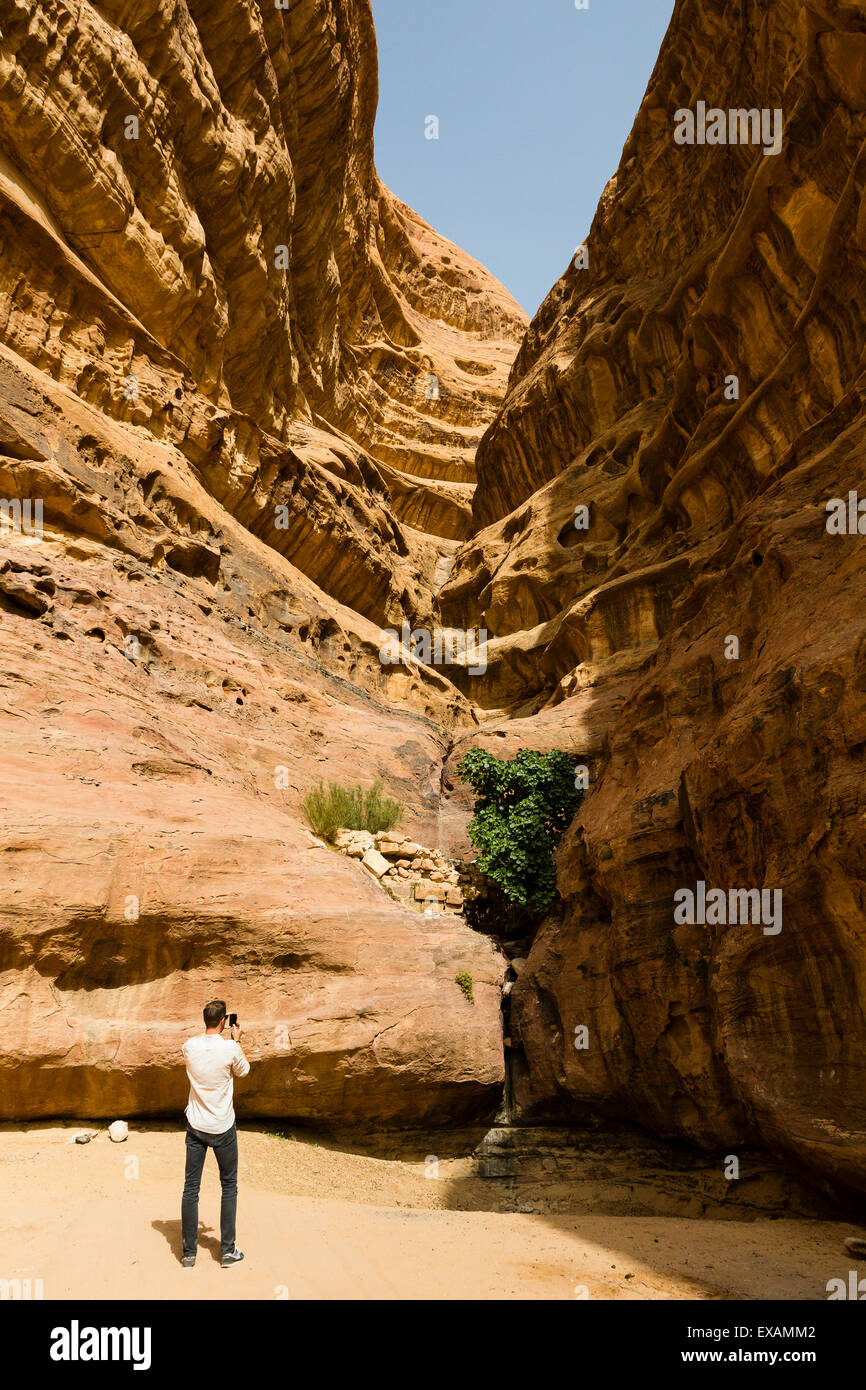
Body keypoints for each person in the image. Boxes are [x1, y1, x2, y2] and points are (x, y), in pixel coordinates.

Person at [180, 999, 250, 1268]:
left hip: (196, 1126)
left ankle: (188, 1253)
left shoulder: (189, 1046)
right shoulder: (230, 1048)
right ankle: (228, 1251)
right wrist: (237, 1040)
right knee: (229, 1186)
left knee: (191, 1188)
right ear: (223, 1022)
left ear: (205, 1020)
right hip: (222, 1127)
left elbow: (194, 1052)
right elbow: (243, 1071)